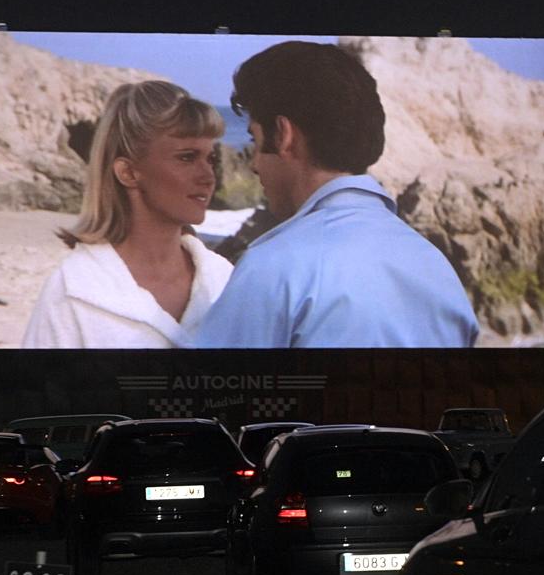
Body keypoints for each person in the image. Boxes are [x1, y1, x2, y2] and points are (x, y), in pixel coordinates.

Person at [194, 41, 479, 348]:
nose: (253, 164)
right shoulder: (437, 268)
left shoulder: (274, 268)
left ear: (284, 135)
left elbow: (216, 392)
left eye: (254, 137)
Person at [23, 81, 233, 348]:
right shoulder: (75, 291)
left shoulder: (223, 279)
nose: (208, 176)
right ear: (129, 172)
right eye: (187, 157)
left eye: (210, 159)